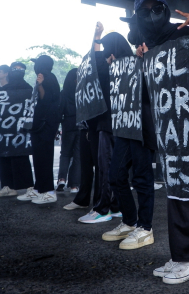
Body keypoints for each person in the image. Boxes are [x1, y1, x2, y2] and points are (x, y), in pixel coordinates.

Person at [128, 0, 189, 285]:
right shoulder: (148, 47)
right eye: (144, 10)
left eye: (156, 8)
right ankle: (181, 254)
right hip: (169, 132)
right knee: (176, 191)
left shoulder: (183, 35)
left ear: (166, 9)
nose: (151, 15)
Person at [99, 31, 156, 250]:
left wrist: (144, 63)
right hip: (124, 128)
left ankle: (145, 227)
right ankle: (130, 221)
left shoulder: (143, 62)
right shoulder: (113, 67)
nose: (107, 55)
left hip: (141, 127)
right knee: (116, 175)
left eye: (109, 50)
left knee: (142, 177)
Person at [77, 22, 121, 223]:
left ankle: (103, 209)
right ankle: (115, 206)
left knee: (105, 168)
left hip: (108, 126)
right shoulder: (117, 66)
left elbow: (95, 60)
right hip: (114, 125)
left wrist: (97, 36)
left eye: (107, 48)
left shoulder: (109, 68)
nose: (105, 54)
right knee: (113, 168)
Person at [17, 55, 61, 204]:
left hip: (46, 126)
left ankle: (49, 191)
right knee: (38, 158)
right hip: (39, 126)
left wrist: (41, 84)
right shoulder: (44, 77)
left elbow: (47, 99)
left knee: (44, 158)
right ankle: (39, 188)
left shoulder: (50, 78)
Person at [0, 62, 36, 198]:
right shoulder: (2, 90)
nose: (18, 71)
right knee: (4, 157)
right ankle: (7, 186)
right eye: (15, 69)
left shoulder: (29, 89)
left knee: (21, 157)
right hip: (4, 130)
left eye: (21, 69)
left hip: (20, 131)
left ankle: (29, 187)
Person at [57, 68, 81, 193]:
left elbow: (59, 111)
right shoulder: (84, 91)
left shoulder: (64, 93)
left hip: (67, 125)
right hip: (82, 126)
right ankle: (74, 185)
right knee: (78, 156)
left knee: (65, 154)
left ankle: (62, 178)